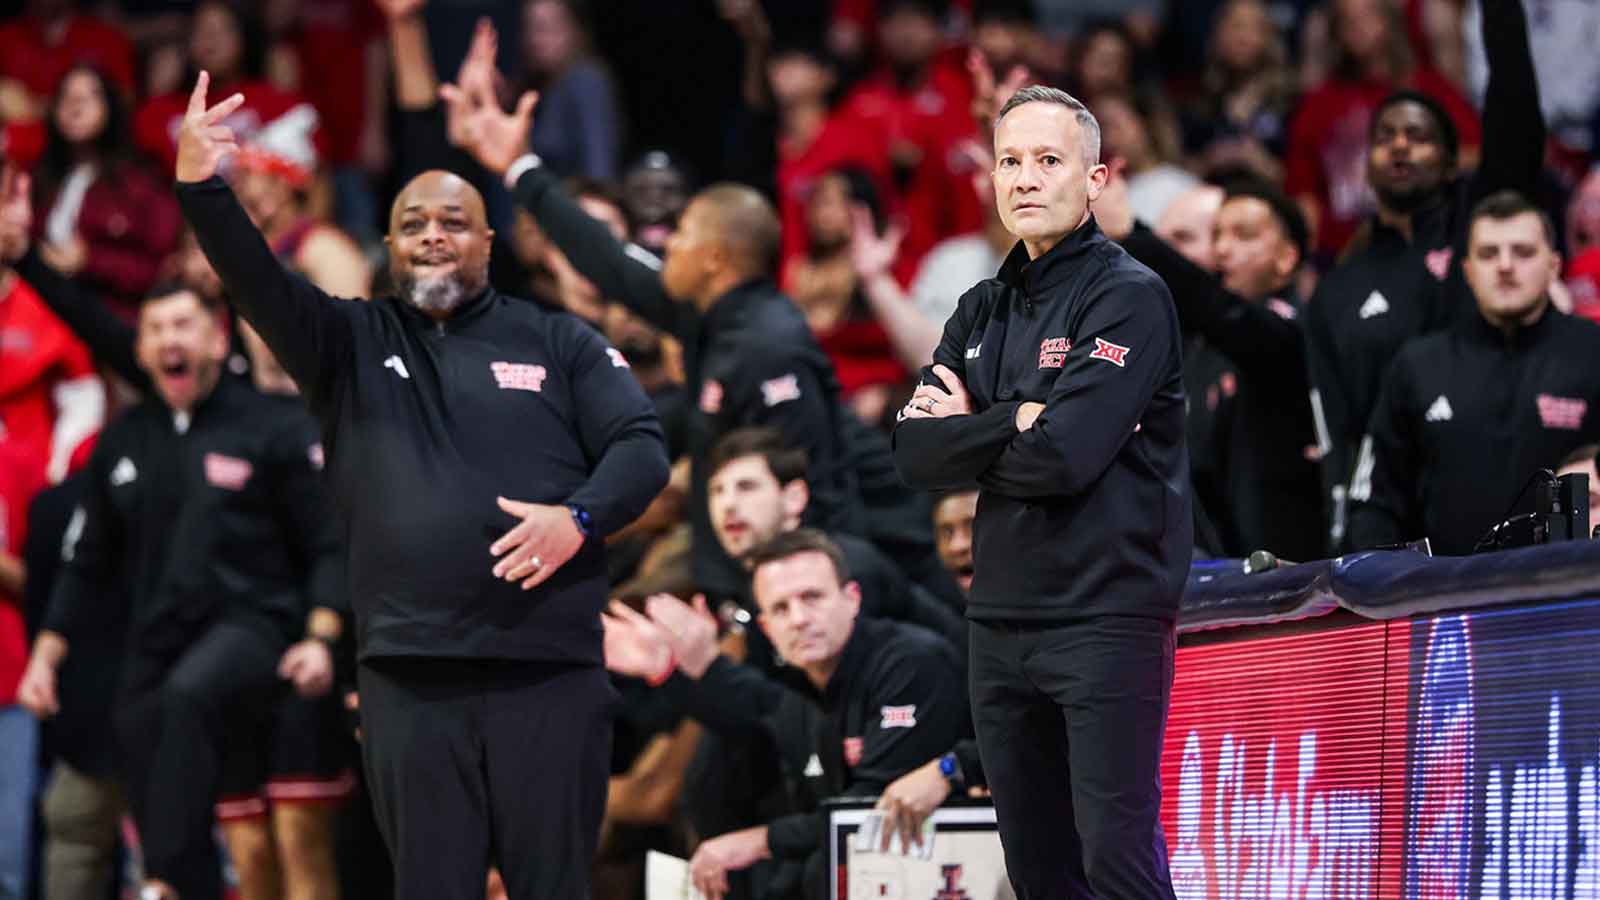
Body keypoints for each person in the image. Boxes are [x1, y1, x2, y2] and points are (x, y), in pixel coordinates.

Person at [171, 71, 669, 900]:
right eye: (411, 224)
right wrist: (200, 187)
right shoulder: (344, 343)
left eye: (453, 221)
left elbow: (641, 447)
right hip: (410, 673)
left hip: (547, 670)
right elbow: (254, 279)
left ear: (488, 241)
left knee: (553, 887)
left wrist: (578, 519)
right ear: (390, 248)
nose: (432, 235)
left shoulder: (559, 340)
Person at [436, 21, 933, 599]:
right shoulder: (715, 312)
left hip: (853, 578)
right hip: (762, 565)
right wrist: (519, 167)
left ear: (717, 260)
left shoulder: (766, 345)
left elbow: (815, 502)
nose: (669, 244)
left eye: (686, 234)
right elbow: (612, 262)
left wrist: (748, 614)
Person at [892, 85, 1189, 898]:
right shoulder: (980, 305)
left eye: (1049, 161)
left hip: (1106, 616)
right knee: (1037, 872)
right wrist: (1010, 419)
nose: (1025, 178)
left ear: (1095, 181)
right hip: (999, 621)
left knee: (1116, 861)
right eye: (1010, 161)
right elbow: (913, 453)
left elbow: (1064, 459)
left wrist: (976, 428)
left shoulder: (1128, 296)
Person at [602, 529, 968, 900]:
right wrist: (665, 670)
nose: (798, 619)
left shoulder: (911, 664)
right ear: (766, 628)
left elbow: (867, 812)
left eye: (812, 598)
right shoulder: (805, 685)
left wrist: (760, 841)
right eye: (780, 608)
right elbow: (754, 707)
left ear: (852, 598)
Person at [1305, 0, 1541, 553]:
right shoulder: (1339, 289)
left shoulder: (1475, 234)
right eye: (1386, 136)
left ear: (1450, 158)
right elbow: (1334, 429)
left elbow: (1516, 117)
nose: (1401, 146)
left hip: (1493, 479)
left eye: (1419, 136)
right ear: (1367, 161)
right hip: (1387, 513)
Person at [1350, 191, 1600, 555]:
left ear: (1554, 265)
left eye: (1523, 252)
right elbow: (1375, 502)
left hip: (1570, 592)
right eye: (1488, 253)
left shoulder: (1593, 352)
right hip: (1445, 596)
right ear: (1467, 271)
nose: (1505, 265)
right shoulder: (1419, 364)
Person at [1115, 181, 1324, 561]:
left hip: (1290, 574)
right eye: (1217, 235)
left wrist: (1132, 233)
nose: (1222, 249)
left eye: (1243, 235)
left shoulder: (1292, 336)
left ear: (1286, 258)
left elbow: (1221, 312)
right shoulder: (1196, 350)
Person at [707, 427, 964, 644]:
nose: (727, 505)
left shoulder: (845, 566)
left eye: (747, 487)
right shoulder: (759, 576)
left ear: (794, 498)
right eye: (717, 491)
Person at [27, 63, 182, 321]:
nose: (75, 106)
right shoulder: (42, 178)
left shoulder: (138, 180)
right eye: (66, 96)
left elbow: (160, 268)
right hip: (49, 319)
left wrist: (90, 261)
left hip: (115, 320)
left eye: (89, 96)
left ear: (111, 106)